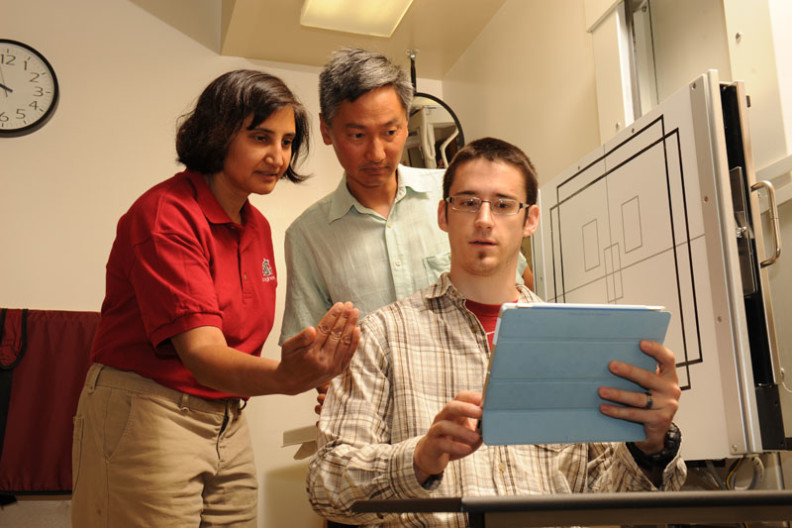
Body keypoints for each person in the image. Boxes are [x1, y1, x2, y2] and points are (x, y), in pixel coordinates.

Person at [307, 138, 686, 527]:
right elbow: (326, 485)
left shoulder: (574, 339)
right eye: (468, 202)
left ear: (530, 220)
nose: (484, 219)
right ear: (443, 214)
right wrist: (418, 459)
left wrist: (650, 446)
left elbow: (610, 501)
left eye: (503, 205)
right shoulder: (382, 335)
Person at [71, 70, 360, 527]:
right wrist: (287, 376)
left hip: (227, 415)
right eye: (261, 137)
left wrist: (316, 366)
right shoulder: (166, 215)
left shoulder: (257, 225)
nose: (278, 157)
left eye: (287, 142)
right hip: (150, 410)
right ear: (218, 132)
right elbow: (203, 353)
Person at [279, 48, 531, 348]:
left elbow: (521, 286)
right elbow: (307, 349)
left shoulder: (458, 197)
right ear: (326, 130)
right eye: (357, 136)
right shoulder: (308, 236)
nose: (376, 154)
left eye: (389, 132)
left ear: (406, 124)